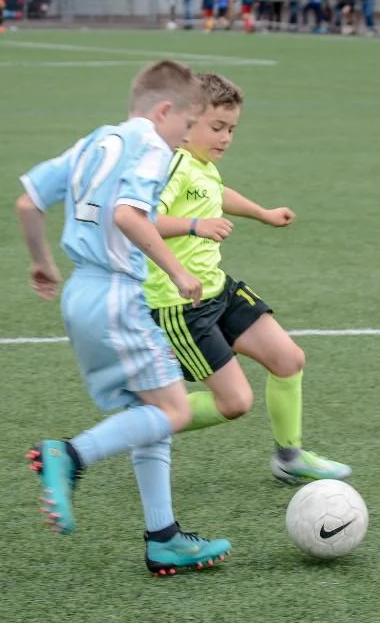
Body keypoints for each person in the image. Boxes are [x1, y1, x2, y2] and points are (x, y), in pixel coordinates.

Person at [16, 61, 232, 577]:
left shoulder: (94, 141)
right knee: (175, 409)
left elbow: (28, 202)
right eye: (185, 126)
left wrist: (43, 262)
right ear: (163, 111)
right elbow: (128, 215)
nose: (184, 139)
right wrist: (178, 270)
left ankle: (164, 537)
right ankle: (70, 454)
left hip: (79, 292)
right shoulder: (151, 146)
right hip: (117, 293)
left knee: (149, 408)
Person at [144, 73, 353, 484]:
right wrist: (194, 225)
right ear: (188, 122)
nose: (226, 138)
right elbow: (143, 219)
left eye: (231, 129)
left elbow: (217, 194)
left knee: (288, 359)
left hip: (217, 289)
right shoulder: (175, 164)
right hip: (180, 304)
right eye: (217, 127)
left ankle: (289, 458)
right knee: (235, 403)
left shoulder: (202, 165)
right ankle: (145, 425)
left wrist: (262, 213)